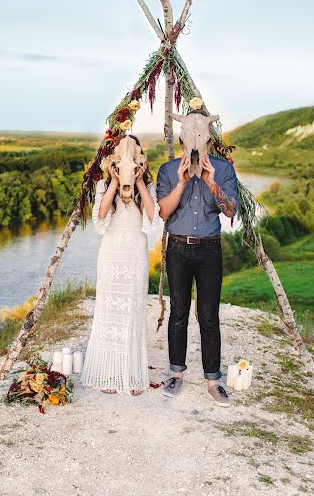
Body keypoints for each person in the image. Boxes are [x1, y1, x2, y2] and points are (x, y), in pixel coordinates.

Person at [156, 109, 239, 407]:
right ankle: (176, 374)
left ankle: (213, 381)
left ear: (208, 135)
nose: (193, 139)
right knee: (178, 312)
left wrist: (211, 181)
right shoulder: (167, 171)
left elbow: (230, 211)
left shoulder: (224, 170)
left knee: (208, 315)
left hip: (209, 249)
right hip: (178, 248)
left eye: (199, 133)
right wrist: (180, 183)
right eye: (188, 133)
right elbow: (164, 213)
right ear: (181, 136)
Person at [80, 135, 160, 396]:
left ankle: (132, 374)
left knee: (132, 314)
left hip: (135, 257)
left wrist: (139, 181)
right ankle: (108, 373)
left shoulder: (147, 184)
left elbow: (152, 216)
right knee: (109, 313)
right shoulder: (104, 184)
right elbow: (100, 216)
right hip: (111, 256)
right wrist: (114, 181)